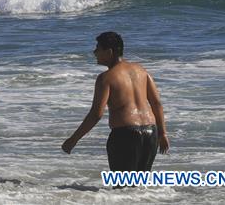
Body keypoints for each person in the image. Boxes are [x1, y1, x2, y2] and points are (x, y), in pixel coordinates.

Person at [61, 31, 170, 171]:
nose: (94, 52)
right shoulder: (142, 71)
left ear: (109, 52)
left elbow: (96, 114)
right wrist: (163, 133)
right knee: (140, 188)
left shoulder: (106, 78)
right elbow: (157, 104)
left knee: (122, 187)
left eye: (98, 48)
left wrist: (73, 140)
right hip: (151, 132)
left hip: (126, 135)